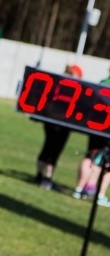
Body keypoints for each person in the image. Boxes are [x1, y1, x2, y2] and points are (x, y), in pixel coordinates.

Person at [34, 64, 82, 190]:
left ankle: (39, 176)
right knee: (54, 151)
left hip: (49, 121)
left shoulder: (57, 84)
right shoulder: (71, 90)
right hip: (61, 125)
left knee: (47, 147)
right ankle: (47, 179)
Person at [73, 69, 110, 200]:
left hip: (95, 126)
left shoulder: (102, 83)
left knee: (90, 155)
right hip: (106, 129)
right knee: (106, 162)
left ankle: (79, 188)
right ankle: (98, 193)